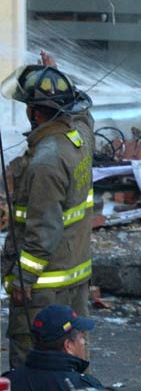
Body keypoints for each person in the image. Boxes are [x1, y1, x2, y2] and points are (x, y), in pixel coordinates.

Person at [1, 51, 95, 368]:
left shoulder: (46, 162)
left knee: (34, 364)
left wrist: (22, 282)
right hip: (75, 276)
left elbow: (43, 231)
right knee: (73, 356)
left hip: (44, 289)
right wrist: (56, 78)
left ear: (35, 114)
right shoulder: (80, 137)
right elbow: (84, 114)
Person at [2, 304, 103, 389]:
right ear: (68, 346)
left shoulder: (9, 382)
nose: (84, 343)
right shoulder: (84, 386)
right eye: (81, 338)